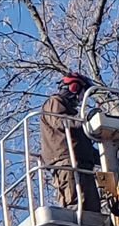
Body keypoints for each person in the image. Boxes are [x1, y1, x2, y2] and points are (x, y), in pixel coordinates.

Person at [39, 70, 100, 213]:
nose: (81, 99)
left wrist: (110, 158)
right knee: (77, 204)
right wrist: (83, 118)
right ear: (74, 88)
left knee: (92, 208)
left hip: (81, 163)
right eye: (82, 94)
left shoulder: (73, 117)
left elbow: (84, 148)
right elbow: (60, 122)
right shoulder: (55, 102)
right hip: (67, 163)